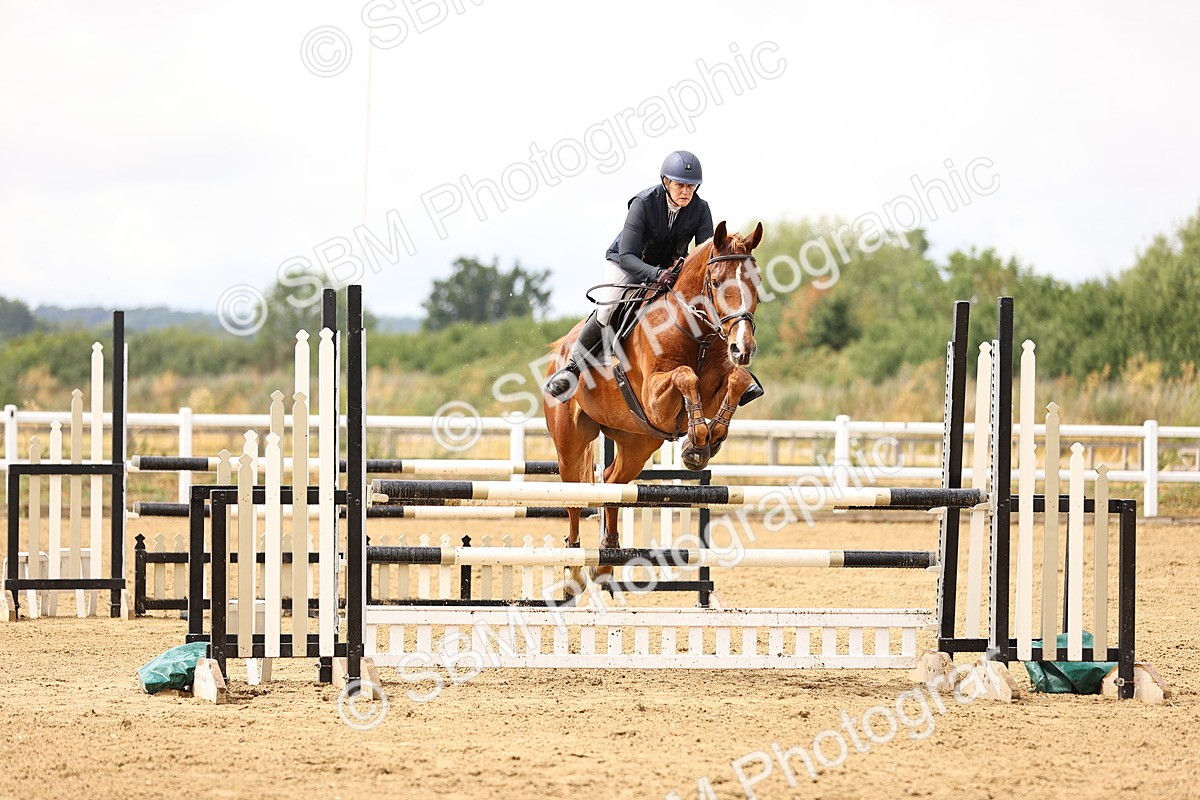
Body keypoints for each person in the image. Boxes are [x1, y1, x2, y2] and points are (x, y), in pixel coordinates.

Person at [544, 150, 718, 402]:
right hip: (628, 263)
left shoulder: (701, 209)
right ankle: (572, 369)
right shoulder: (644, 203)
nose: (686, 191)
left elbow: (703, 255)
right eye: (680, 184)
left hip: (669, 270)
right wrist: (655, 273)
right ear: (666, 182)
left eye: (692, 186)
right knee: (607, 308)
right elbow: (627, 255)